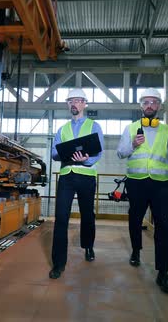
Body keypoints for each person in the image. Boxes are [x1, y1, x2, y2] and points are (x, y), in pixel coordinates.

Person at [116, 88, 168, 294]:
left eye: (153, 102)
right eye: (146, 102)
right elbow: (120, 153)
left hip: (160, 184)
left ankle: (163, 272)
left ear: (159, 106)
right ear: (141, 106)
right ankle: (136, 250)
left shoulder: (167, 130)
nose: (150, 105)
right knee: (135, 219)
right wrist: (133, 145)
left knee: (163, 225)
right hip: (137, 182)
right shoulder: (131, 128)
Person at [49, 88, 104, 279]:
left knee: (87, 214)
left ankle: (88, 246)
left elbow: (99, 152)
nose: (74, 104)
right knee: (61, 218)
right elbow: (54, 153)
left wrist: (86, 159)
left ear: (84, 104)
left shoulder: (94, 125)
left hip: (86, 175)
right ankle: (58, 263)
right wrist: (64, 153)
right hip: (66, 175)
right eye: (71, 101)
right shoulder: (62, 129)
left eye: (78, 101)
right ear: (68, 104)